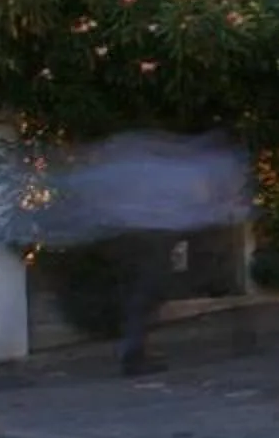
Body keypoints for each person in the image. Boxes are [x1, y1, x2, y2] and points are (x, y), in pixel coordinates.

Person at [53, 130, 252, 374]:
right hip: (156, 234)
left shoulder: (140, 160)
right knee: (148, 292)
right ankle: (134, 353)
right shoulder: (200, 164)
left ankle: (134, 350)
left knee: (144, 293)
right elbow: (197, 203)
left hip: (139, 234)